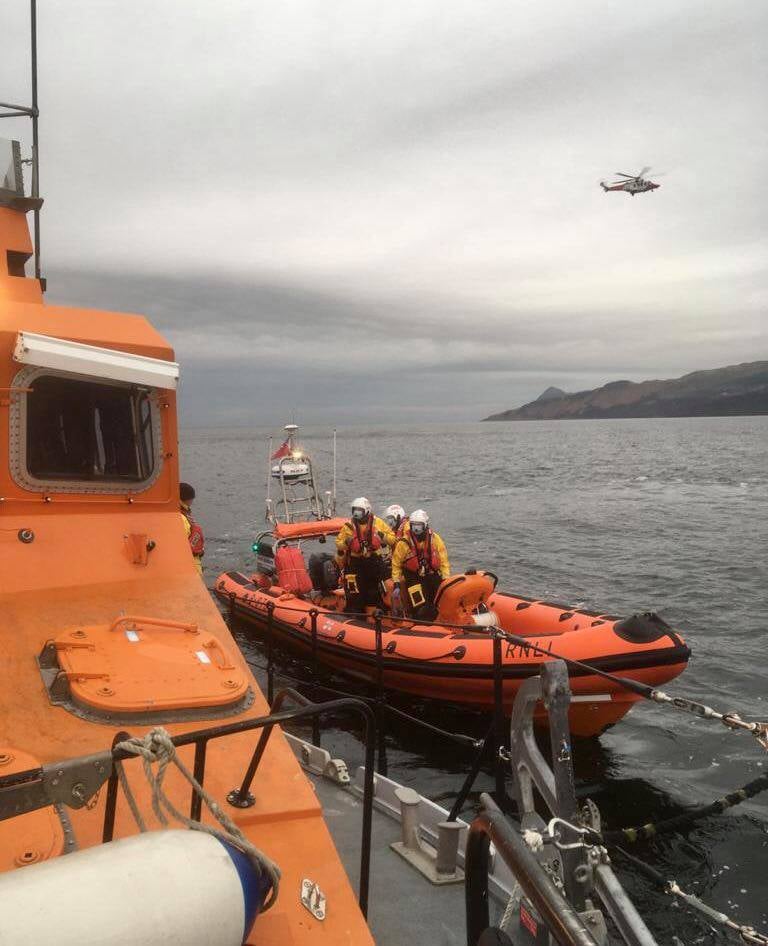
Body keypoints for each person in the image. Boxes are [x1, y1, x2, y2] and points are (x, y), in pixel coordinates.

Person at [336, 497, 396, 613]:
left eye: (359, 510)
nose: (356, 513)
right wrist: (347, 542)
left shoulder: (378, 523)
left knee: (373, 592)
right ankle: (355, 615)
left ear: (367, 511)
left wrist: (381, 535)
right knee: (355, 594)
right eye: (355, 510)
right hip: (355, 563)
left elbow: (392, 539)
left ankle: (374, 616)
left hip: (373, 561)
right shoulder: (348, 526)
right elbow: (338, 543)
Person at [391, 509, 450, 620]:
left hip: (431, 575)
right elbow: (396, 564)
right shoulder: (404, 543)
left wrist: (445, 579)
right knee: (420, 606)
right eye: (414, 525)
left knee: (439, 601)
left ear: (425, 525)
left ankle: (439, 619)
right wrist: (396, 582)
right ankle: (419, 621)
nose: (416, 529)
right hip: (413, 577)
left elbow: (443, 560)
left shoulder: (435, 539)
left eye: (419, 525)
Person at [180, 482, 205, 574]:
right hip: (191, 562)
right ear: (187, 499)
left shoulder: (182, 514)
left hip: (192, 560)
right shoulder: (182, 518)